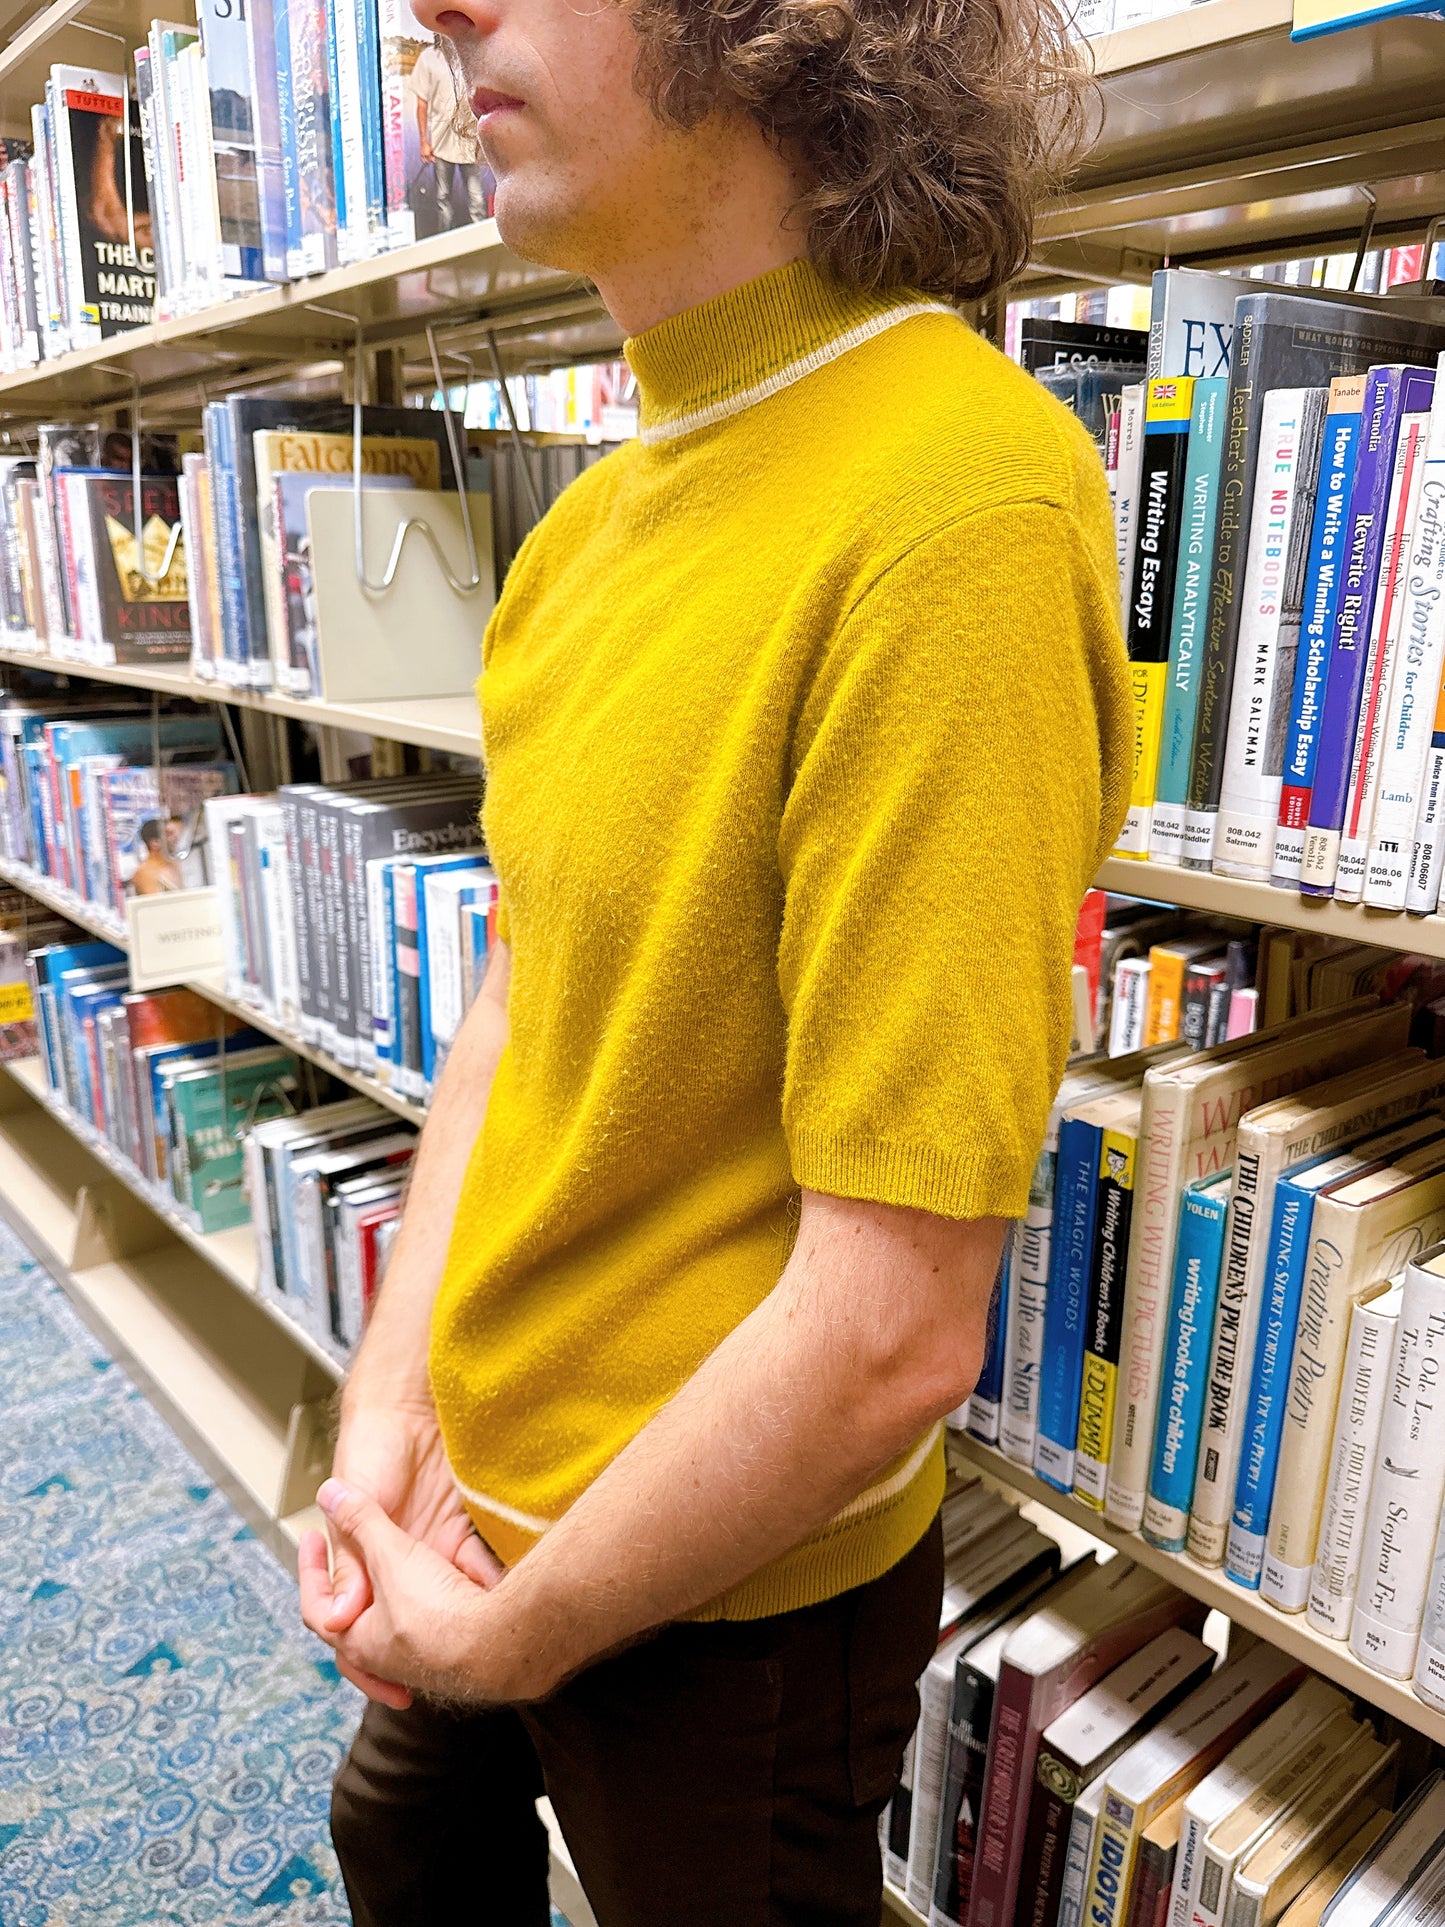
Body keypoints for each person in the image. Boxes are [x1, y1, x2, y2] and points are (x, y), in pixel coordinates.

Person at [298, 0, 1131, 1921]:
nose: (436, 7)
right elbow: (529, 999)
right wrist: (387, 1417)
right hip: (503, 1466)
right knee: (401, 1833)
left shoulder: (958, 512)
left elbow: (897, 1323)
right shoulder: (587, 529)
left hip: (728, 1586)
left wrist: (515, 1637)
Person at [408, 37, 490, 229]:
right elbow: (422, 105)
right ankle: (444, 236)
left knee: (476, 197)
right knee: (442, 197)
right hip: (440, 142)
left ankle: (480, 241)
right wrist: (423, 142)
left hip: (470, 141)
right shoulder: (428, 58)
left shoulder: (472, 52)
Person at [129, 816, 182, 894]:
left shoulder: (174, 866)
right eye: (169, 834)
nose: (176, 838)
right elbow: (157, 904)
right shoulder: (145, 873)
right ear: (155, 843)